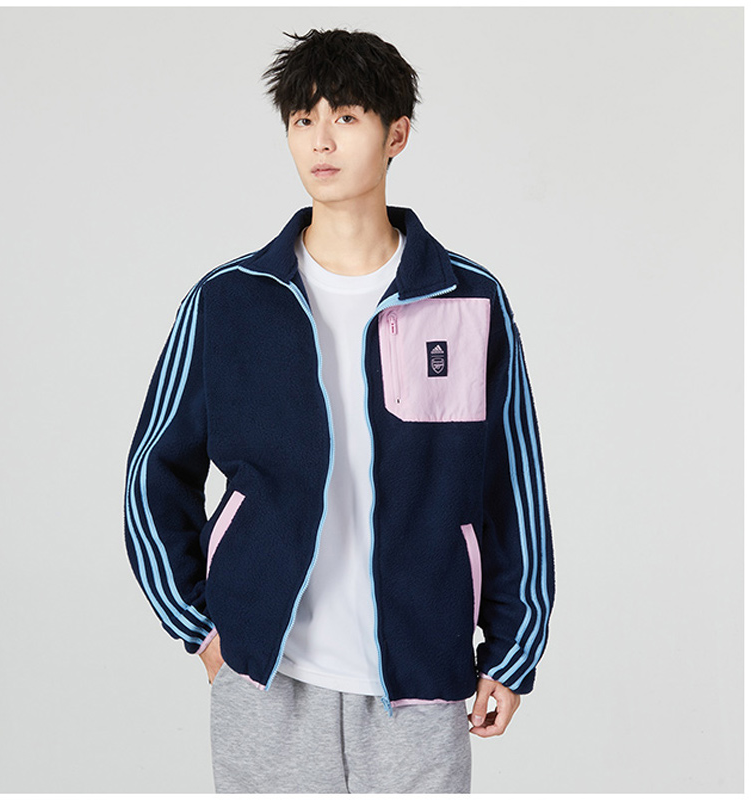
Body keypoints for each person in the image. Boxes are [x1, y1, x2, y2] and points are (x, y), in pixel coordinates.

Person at [124, 27, 555, 794]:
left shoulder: (467, 300)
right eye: (303, 120)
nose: (320, 140)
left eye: (346, 117)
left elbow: (513, 487)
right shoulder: (228, 303)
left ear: (397, 135)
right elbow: (153, 472)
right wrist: (202, 631)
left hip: (422, 676)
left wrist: (514, 649)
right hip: (266, 672)